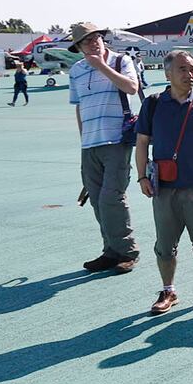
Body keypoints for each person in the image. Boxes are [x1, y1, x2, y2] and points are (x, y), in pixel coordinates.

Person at [135, 51, 193, 313]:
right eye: (183, 69)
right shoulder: (152, 105)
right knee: (164, 245)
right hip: (164, 188)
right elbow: (141, 143)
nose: (189, 74)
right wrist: (141, 176)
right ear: (168, 74)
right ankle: (168, 291)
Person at [68, 21, 141, 274]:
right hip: (90, 143)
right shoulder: (76, 70)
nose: (94, 42)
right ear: (78, 47)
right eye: (87, 40)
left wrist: (100, 66)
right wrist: (82, 140)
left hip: (117, 139)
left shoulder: (121, 61)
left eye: (96, 37)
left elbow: (132, 87)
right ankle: (110, 250)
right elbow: (79, 106)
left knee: (112, 197)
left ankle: (127, 250)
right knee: (97, 200)